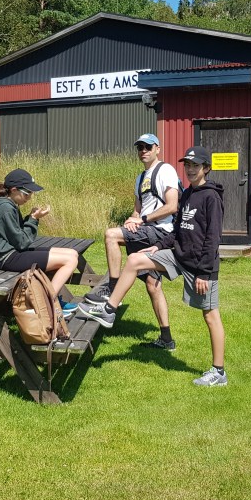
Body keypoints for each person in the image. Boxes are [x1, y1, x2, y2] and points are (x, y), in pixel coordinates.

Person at [76, 146, 228, 387]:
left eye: (195, 165)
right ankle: (109, 309)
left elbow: (213, 239)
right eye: (187, 165)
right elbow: (178, 230)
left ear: (206, 168)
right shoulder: (187, 194)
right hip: (178, 255)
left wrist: (204, 273)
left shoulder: (211, 197)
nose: (190, 169)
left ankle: (218, 372)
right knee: (135, 260)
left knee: (210, 316)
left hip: (200, 265)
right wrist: (159, 247)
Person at [83, 133, 181, 350]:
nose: (143, 151)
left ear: (157, 148)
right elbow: (138, 210)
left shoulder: (166, 171)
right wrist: (133, 221)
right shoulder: (140, 178)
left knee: (111, 235)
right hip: (146, 228)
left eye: (147, 147)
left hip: (160, 231)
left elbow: (172, 206)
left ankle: (111, 289)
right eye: (140, 148)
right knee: (152, 286)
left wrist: (142, 220)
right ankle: (167, 339)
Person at [0, 168, 79, 314]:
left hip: (15, 252)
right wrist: (34, 219)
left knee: (72, 253)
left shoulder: (9, 204)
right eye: (27, 193)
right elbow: (22, 242)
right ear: (14, 190)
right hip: (8, 257)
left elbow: (18, 234)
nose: (29, 197)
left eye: (31, 193)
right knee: (70, 261)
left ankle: (51, 297)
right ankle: (49, 304)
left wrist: (31, 217)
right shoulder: (5, 208)